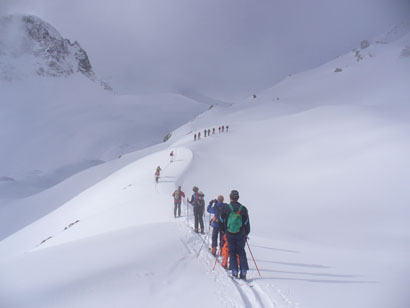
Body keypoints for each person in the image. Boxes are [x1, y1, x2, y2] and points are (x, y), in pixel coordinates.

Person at [220, 190, 250, 279]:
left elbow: (221, 220)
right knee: (241, 251)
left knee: (232, 251)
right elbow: (246, 223)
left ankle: (234, 271)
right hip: (240, 233)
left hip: (229, 233)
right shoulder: (243, 208)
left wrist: (223, 230)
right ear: (238, 198)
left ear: (230, 197)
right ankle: (243, 271)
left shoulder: (226, 208)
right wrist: (246, 233)